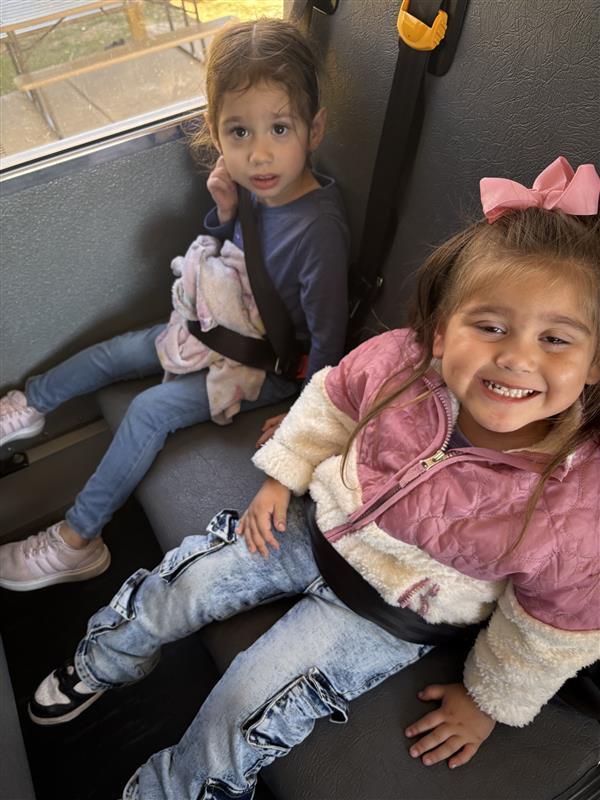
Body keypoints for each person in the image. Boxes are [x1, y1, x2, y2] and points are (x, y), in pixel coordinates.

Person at [29, 157, 600, 799]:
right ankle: (105, 659)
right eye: (490, 327)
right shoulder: (398, 364)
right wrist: (282, 476)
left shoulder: (576, 502)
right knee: (183, 584)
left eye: (557, 340)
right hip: (313, 524)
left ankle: (169, 790)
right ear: (441, 334)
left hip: (390, 614)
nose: (518, 356)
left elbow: (553, 623)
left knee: (246, 703)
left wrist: (489, 702)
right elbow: (330, 403)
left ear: (594, 364)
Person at [0, 19, 349, 592]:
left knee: (148, 411)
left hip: (268, 366)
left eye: (279, 128)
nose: (259, 153)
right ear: (215, 131)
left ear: (314, 130)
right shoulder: (258, 188)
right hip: (218, 322)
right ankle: (31, 405)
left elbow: (327, 345)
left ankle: (76, 541)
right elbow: (240, 259)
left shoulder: (320, 231)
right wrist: (226, 213)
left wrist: (302, 420)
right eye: (239, 132)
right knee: (115, 352)